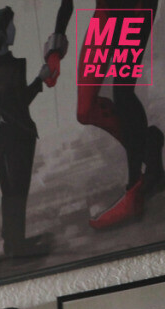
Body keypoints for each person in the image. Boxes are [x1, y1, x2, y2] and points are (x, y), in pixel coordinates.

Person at [45, 0, 164, 229]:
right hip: (107, 11)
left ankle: (135, 191)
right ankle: (150, 149)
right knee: (85, 110)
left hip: (136, 8)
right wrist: (55, 51)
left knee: (123, 92)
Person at [0, 6, 54, 260]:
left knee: (11, 192)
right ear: (2, 35)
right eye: (10, 26)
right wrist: (40, 79)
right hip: (16, 139)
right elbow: (20, 102)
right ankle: (16, 247)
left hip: (7, 138)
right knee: (16, 192)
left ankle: (13, 241)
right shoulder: (8, 68)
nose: (15, 29)